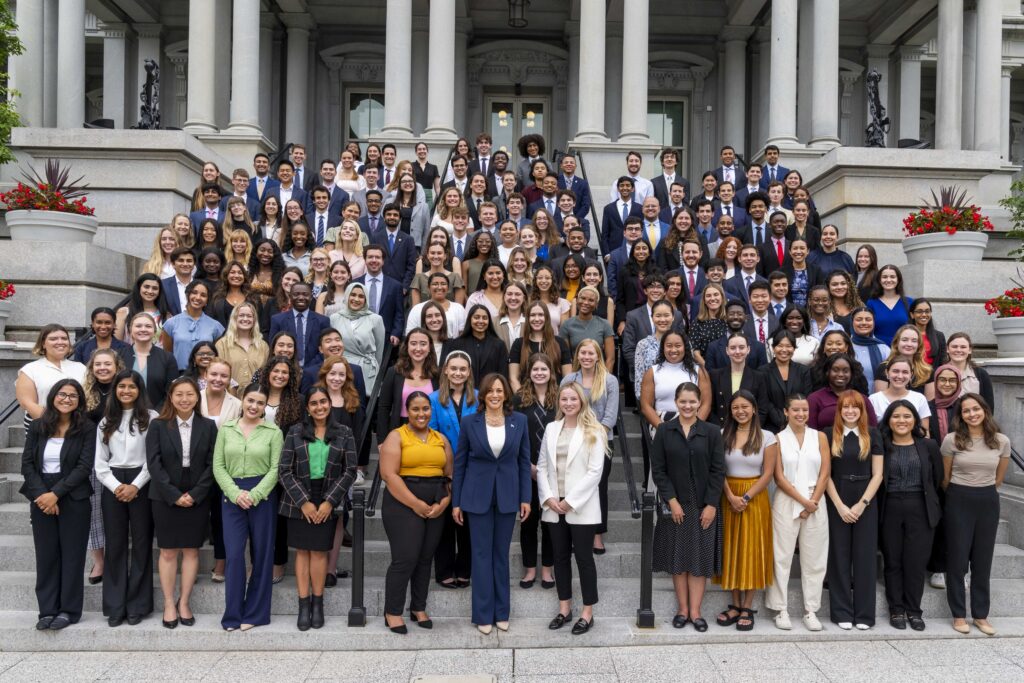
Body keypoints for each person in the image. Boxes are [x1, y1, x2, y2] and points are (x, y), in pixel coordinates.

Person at [452, 373, 531, 635]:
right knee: (481, 555)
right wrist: (456, 502)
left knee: (501, 556)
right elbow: (460, 463)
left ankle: (501, 612)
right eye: (490, 391)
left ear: (506, 393)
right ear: (483, 395)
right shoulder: (469, 422)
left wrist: (525, 498)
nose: (495, 395)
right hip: (476, 498)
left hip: (508, 496)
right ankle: (483, 614)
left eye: (500, 390)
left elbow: (523, 461)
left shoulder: (519, 421)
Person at [278, 386, 357, 631]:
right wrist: (304, 502)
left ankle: (317, 604)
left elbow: (350, 470)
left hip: (327, 498)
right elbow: (284, 470)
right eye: (314, 403)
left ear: (329, 404)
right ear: (308, 408)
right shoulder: (295, 432)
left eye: (323, 402)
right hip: (298, 499)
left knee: (320, 552)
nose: (320, 407)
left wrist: (328, 502)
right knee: (302, 551)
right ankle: (303, 604)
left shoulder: (344, 432)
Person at [650, 382, 725, 632]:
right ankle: (682, 610)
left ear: (700, 402)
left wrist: (712, 504)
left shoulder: (712, 432)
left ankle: (696, 612)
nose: (688, 406)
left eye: (692, 401)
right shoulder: (664, 431)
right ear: (675, 402)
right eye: (683, 401)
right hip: (676, 503)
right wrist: (671, 501)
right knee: (678, 557)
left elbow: (718, 471)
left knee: (699, 559)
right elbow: (659, 471)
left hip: (703, 504)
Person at [20, 379, 94, 631]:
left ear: (79, 401)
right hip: (40, 496)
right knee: (46, 555)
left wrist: (56, 494)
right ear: (53, 396)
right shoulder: (39, 425)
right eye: (62, 394)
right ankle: (47, 610)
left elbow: (84, 467)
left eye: (73, 396)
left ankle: (68, 611)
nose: (67, 399)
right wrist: (43, 495)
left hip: (74, 496)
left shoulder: (86, 428)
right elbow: (27, 465)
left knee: (73, 556)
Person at [378, 392, 453, 634]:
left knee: (425, 557)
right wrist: (415, 504)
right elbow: (389, 475)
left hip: (435, 501)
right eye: (415, 409)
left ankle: (418, 607)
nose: (421, 414)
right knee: (406, 558)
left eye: (425, 409)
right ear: (406, 411)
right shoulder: (396, 436)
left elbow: (449, 474)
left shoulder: (440, 438)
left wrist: (445, 501)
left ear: (431, 411)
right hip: (403, 501)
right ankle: (393, 611)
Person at [146, 376, 217, 629]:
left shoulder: (208, 426)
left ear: (197, 397)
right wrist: (174, 495)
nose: (184, 399)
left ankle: (184, 601)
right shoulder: (158, 425)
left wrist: (196, 494)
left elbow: (213, 464)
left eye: (189, 394)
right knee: (167, 551)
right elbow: (153, 463)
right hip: (165, 493)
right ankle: (168, 602)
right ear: (171, 397)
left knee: (191, 550)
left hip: (198, 493)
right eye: (179, 394)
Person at [536, 383, 607, 635]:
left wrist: (570, 501)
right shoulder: (551, 428)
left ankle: (587, 613)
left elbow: (595, 472)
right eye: (564, 399)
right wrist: (549, 498)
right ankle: (564, 609)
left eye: (573, 399)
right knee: (560, 558)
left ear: (581, 402)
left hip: (581, 507)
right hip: (554, 505)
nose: (568, 403)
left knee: (585, 559)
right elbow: (542, 467)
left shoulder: (594, 430)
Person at [213, 384, 283, 631]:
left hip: (261, 495)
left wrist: (256, 494)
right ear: (242, 400)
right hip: (231, 495)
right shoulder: (227, 429)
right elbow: (218, 466)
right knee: (233, 555)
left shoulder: (273, 432)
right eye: (250, 400)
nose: (254, 406)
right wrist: (234, 493)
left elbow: (276, 468)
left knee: (262, 554)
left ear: (266, 407)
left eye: (260, 403)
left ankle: (255, 614)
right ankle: (232, 614)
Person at [941, 393, 1010, 636]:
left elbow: (999, 478)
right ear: (960, 416)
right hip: (958, 499)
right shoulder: (951, 440)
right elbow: (946, 478)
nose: (972, 414)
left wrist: (984, 489)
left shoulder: (1000, 441)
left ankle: (981, 615)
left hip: (988, 500)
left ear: (984, 410)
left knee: (982, 561)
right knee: (958, 561)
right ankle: (959, 615)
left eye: (976, 409)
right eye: (966, 411)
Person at [92, 369, 156, 628]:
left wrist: (136, 486)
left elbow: (154, 458)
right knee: (115, 545)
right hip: (113, 484)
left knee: (142, 544)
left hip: (143, 482)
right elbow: (99, 464)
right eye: (121, 387)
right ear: (115, 390)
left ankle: (138, 605)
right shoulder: (106, 421)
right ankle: (115, 605)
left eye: (131, 386)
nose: (126, 391)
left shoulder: (151, 418)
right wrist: (118, 486)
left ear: (139, 390)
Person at [713, 390, 777, 632]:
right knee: (731, 549)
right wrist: (730, 496)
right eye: (735, 407)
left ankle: (748, 606)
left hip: (755, 497)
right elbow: (717, 468)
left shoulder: (767, 437)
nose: (740, 411)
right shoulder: (721, 435)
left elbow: (768, 473)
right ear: (730, 411)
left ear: (753, 408)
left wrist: (746, 497)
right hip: (727, 494)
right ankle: (735, 604)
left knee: (751, 549)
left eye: (745, 406)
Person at [766, 394, 830, 632]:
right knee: (780, 556)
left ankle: (811, 610)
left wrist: (812, 501)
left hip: (816, 499)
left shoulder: (819, 437)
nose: (801, 414)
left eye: (804, 410)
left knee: (814, 557)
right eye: (795, 410)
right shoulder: (777, 439)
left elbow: (825, 471)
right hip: (787, 499)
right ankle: (780, 608)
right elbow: (778, 476)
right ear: (786, 412)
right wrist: (803, 501)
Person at [877, 400, 943, 631]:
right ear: (888, 420)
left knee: (915, 563)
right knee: (893, 561)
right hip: (891, 506)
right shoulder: (881, 445)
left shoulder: (929, 446)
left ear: (915, 419)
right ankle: (896, 609)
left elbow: (937, 480)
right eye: (896, 416)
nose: (901, 421)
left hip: (921, 507)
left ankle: (914, 611)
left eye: (907, 416)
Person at [824, 390, 884, 630]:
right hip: (836, 496)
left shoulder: (872, 434)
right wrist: (839, 505)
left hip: (865, 498)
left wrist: (862, 504)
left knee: (865, 556)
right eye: (845, 407)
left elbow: (878, 474)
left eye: (855, 407)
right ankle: (841, 612)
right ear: (839, 411)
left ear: (862, 410)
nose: (850, 411)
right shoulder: (829, 435)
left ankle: (865, 614)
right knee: (838, 556)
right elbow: (825, 475)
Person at [561, 339, 620, 553]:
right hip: (572, 441)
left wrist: (592, 440)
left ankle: (597, 534)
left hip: (601, 442)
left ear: (598, 356)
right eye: (582, 353)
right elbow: (564, 408)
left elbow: (610, 417)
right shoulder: (569, 379)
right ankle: (576, 533)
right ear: (577, 356)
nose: (586, 357)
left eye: (591, 353)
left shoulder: (609, 381)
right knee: (575, 486)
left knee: (598, 487)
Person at [428, 352, 478, 590]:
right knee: (445, 523)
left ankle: (465, 569)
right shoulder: (434, 399)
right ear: (445, 370)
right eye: (454, 368)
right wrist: (448, 468)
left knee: (468, 523)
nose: (458, 373)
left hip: (474, 469)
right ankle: (445, 570)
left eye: (463, 369)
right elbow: (433, 435)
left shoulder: (479, 398)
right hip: (443, 468)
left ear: (469, 372)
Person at [512, 353, 559, 591]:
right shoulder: (519, 398)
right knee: (528, 522)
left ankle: (548, 571)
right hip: (526, 469)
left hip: (555, 472)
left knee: (550, 521)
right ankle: (530, 569)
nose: (539, 373)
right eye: (535, 369)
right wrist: (528, 466)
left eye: (544, 369)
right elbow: (514, 434)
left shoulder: (561, 397)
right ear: (528, 373)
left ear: (551, 371)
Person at [17, 325, 88, 433]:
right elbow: (27, 403)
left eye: (64, 338)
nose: (60, 342)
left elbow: (88, 399)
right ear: (43, 344)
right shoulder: (30, 369)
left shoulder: (81, 367)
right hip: (43, 426)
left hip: (77, 427)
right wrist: (57, 426)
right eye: (53, 339)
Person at [379, 329, 440, 436]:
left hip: (430, 430)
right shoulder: (394, 372)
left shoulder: (437, 375)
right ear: (406, 347)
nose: (418, 348)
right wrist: (382, 440)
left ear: (429, 347)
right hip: (400, 429)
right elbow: (384, 407)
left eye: (423, 344)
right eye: (413, 343)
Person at [329, 282, 386, 392]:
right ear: (347, 296)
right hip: (341, 369)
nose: (356, 299)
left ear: (366, 300)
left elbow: (379, 351)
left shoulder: (375, 319)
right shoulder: (335, 318)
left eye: (361, 296)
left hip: (366, 369)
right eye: (353, 294)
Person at [509, 302, 572, 393]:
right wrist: (523, 400)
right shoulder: (519, 344)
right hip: (526, 400)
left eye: (541, 315)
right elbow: (513, 378)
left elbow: (567, 377)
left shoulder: (560, 343)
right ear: (528, 318)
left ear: (546, 318)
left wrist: (559, 399)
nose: (537, 319)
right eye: (533, 315)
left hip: (555, 400)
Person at [160, 280, 225, 370]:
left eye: (203, 295)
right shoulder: (171, 324)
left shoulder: (215, 326)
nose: (198, 297)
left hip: (206, 375)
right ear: (187, 295)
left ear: (207, 301)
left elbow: (217, 355)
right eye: (194, 293)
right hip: (179, 376)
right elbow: (167, 355)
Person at [121, 313, 179, 410]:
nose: (143, 329)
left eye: (148, 326)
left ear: (155, 331)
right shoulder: (119, 356)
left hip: (158, 416)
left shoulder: (167, 358)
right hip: (122, 413)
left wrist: (157, 415)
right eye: (138, 326)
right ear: (130, 330)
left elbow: (171, 391)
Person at [759, 330, 814, 433]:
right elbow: (765, 401)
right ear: (773, 348)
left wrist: (793, 418)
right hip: (771, 427)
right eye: (780, 346)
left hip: (799, 424)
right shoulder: (762, 371)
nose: (784, 350)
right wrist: (782, 420)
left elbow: (806, 396)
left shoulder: (803, 371)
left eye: (788, 346)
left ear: (794, 348)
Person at [708, 333, 768, 426]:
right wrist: (719, 431)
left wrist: (750, 430)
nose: (737, 351)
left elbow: (762, 410)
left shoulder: (759, 377)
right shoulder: (715, 376)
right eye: (732, 348)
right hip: (722, 431)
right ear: (727, 350)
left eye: (741, 347)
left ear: (748, 349)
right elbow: (710, 408)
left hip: (750, 431)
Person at [441, 305, 508, 384]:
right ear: (470, 319)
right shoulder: (457, 344)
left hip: (490, 391)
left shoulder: (499, 345)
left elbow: (503, 374)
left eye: (484, 318)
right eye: (476, 317)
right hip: (465, 392)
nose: (480, 321)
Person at [808, 353, 876, 429]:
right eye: (835, 370)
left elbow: (873, 429)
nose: (840, 374)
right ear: (827, 372)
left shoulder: (862, 399)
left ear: (851, 373)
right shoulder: (814, 398)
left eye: (846, 371)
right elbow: (810, 432)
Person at [215, 302, 269, 394]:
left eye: (249, 316)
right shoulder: (222, 344)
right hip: (229, 397)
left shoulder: (263, 346)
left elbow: (265, 375)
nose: (245, 319)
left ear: (254, 320)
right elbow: (218, 373)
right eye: (241, 315)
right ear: (234, 318)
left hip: (255, 398)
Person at [870, 356, 932, 433]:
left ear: (911, 375)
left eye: (905, 372)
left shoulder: (919, 398)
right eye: (895, 371)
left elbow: (925, 433)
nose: (900, 376)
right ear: (887, 373)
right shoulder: (873, 399)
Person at [559, 286, 616, 370]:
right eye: (583, 298)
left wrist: (605, 380)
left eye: (591, 300)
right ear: (577, 300)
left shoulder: (604, 324)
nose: (586, 302)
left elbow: (610, 359)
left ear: (596, 304)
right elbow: (566, 358)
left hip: (599, 374)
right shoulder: (567, 325)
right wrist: (571, 379)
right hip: (575, 374)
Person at [866, 264, 913, 346]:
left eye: (892, 277)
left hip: (903, 349)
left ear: (898, 280)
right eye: (884, 277)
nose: (888, 280)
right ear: (879, 280)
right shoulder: (871, 303)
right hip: (879, 349)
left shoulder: (910, 302)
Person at [945, 332, 995, 407]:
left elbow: (988, 405)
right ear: (947, 349)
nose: (958, 350)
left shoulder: (981, 374)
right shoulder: (937, 373)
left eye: (963, 347)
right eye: (954, 346)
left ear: (970, 350)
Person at [849, 306, 890, 386]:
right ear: (852, 322)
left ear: (874, 323)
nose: (864, 323)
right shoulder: (845, 346)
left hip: (877, 396)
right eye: (859, 319)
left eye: (868, 319)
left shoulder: (883, 348)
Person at [910, 298, 947, 367]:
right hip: (911, 375)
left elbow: (943, 360)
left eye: (927, 311)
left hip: (932, 375)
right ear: (912, 315)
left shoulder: (939, 336)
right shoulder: (905, 335)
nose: (924, 314)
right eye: (919, 311)